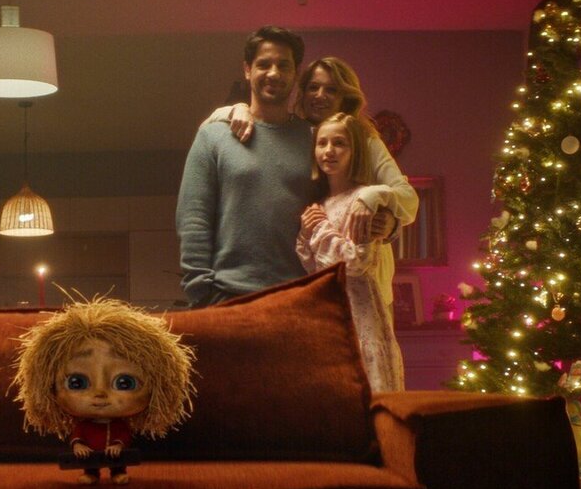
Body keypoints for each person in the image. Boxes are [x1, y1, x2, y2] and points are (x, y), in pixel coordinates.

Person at [202, 56, 418, 313]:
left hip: (365, 287)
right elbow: (210, 127)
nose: (320, 95)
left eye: (331, 89)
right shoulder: (292, 136)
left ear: (345, 97)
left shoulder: (366, 142)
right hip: (307, 276)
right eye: (313, 87)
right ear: (302, 93)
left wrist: (381, 210)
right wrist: (237, 110)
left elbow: (407, 198)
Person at [176, 26, 315, 308]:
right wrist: (201, 293)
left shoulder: (316, 140)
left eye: (283, 65)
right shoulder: (213, 136)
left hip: (300, 298)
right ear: (247, 70)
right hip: (227, 298)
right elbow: (193, 219)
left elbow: (342, 200)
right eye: (264, 64)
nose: (274, 73)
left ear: (296, 73)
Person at [12, 298, 196, 485]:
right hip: (90, 456)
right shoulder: (83, 426)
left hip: (116, 455)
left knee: (118, 462)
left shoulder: (120, 426)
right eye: (77, 383)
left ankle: (117, 472)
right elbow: (77, 436)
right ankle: (92, 473)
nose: (99, 393)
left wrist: (118, 445)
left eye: (124, 383)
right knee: (89, 464)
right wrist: (78, 445)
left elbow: (124, 436)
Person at [297, 112, 405, 392]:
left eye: (339, 143)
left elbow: (357, 263)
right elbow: (313, 267)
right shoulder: (322, 203)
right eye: (322, 143)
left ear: (354, 151)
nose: (329, 150)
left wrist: (320, 229)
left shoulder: (363, 201)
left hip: (361, 315)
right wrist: (307, 232)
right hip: (330, 316)